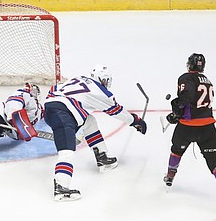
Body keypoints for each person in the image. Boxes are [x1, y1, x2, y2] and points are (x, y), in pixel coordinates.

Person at [44, 64, 147, 201]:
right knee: (67, 152)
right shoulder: (99, 91)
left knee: (89, 121)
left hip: (51, 106)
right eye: (106, 80)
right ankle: (61, 188)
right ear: (101, 79)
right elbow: (115, 110)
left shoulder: (79, 78)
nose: (106, 83)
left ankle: (102, 158)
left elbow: (54, 89)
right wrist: (135, 121)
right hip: (63, 114)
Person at [164, 53, 216, 186]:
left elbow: (186, 98)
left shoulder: (185, 78)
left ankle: (171, 174)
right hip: (208, 128)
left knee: (176, 150)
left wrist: (176, 112)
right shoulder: (207, 80)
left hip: (187, 127)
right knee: (214, 163)